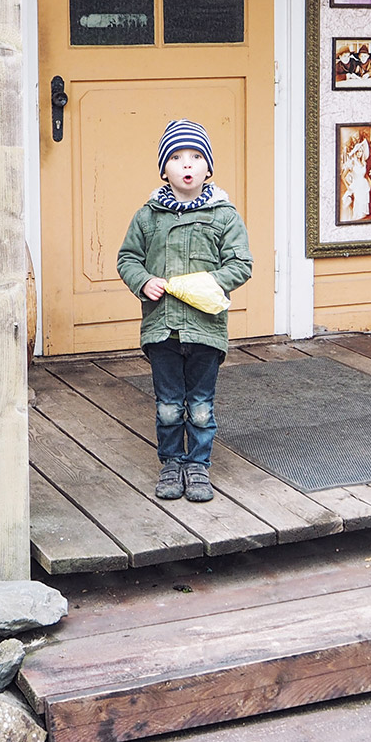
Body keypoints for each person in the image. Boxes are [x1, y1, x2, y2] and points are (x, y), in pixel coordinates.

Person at [116, 120, 253, 503]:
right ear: (164, 169)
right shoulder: (148, 216)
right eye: (176, 157)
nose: (187, 164)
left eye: (195, 156)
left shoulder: (223, 215)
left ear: (208, 167)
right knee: (169, 406)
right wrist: (143, 280)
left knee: (201, 406)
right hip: (162, 329)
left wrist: (209, 283)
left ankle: (198, 465)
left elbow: (241, 263)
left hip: (204, 330)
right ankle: (171, 463)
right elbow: (128, 258)